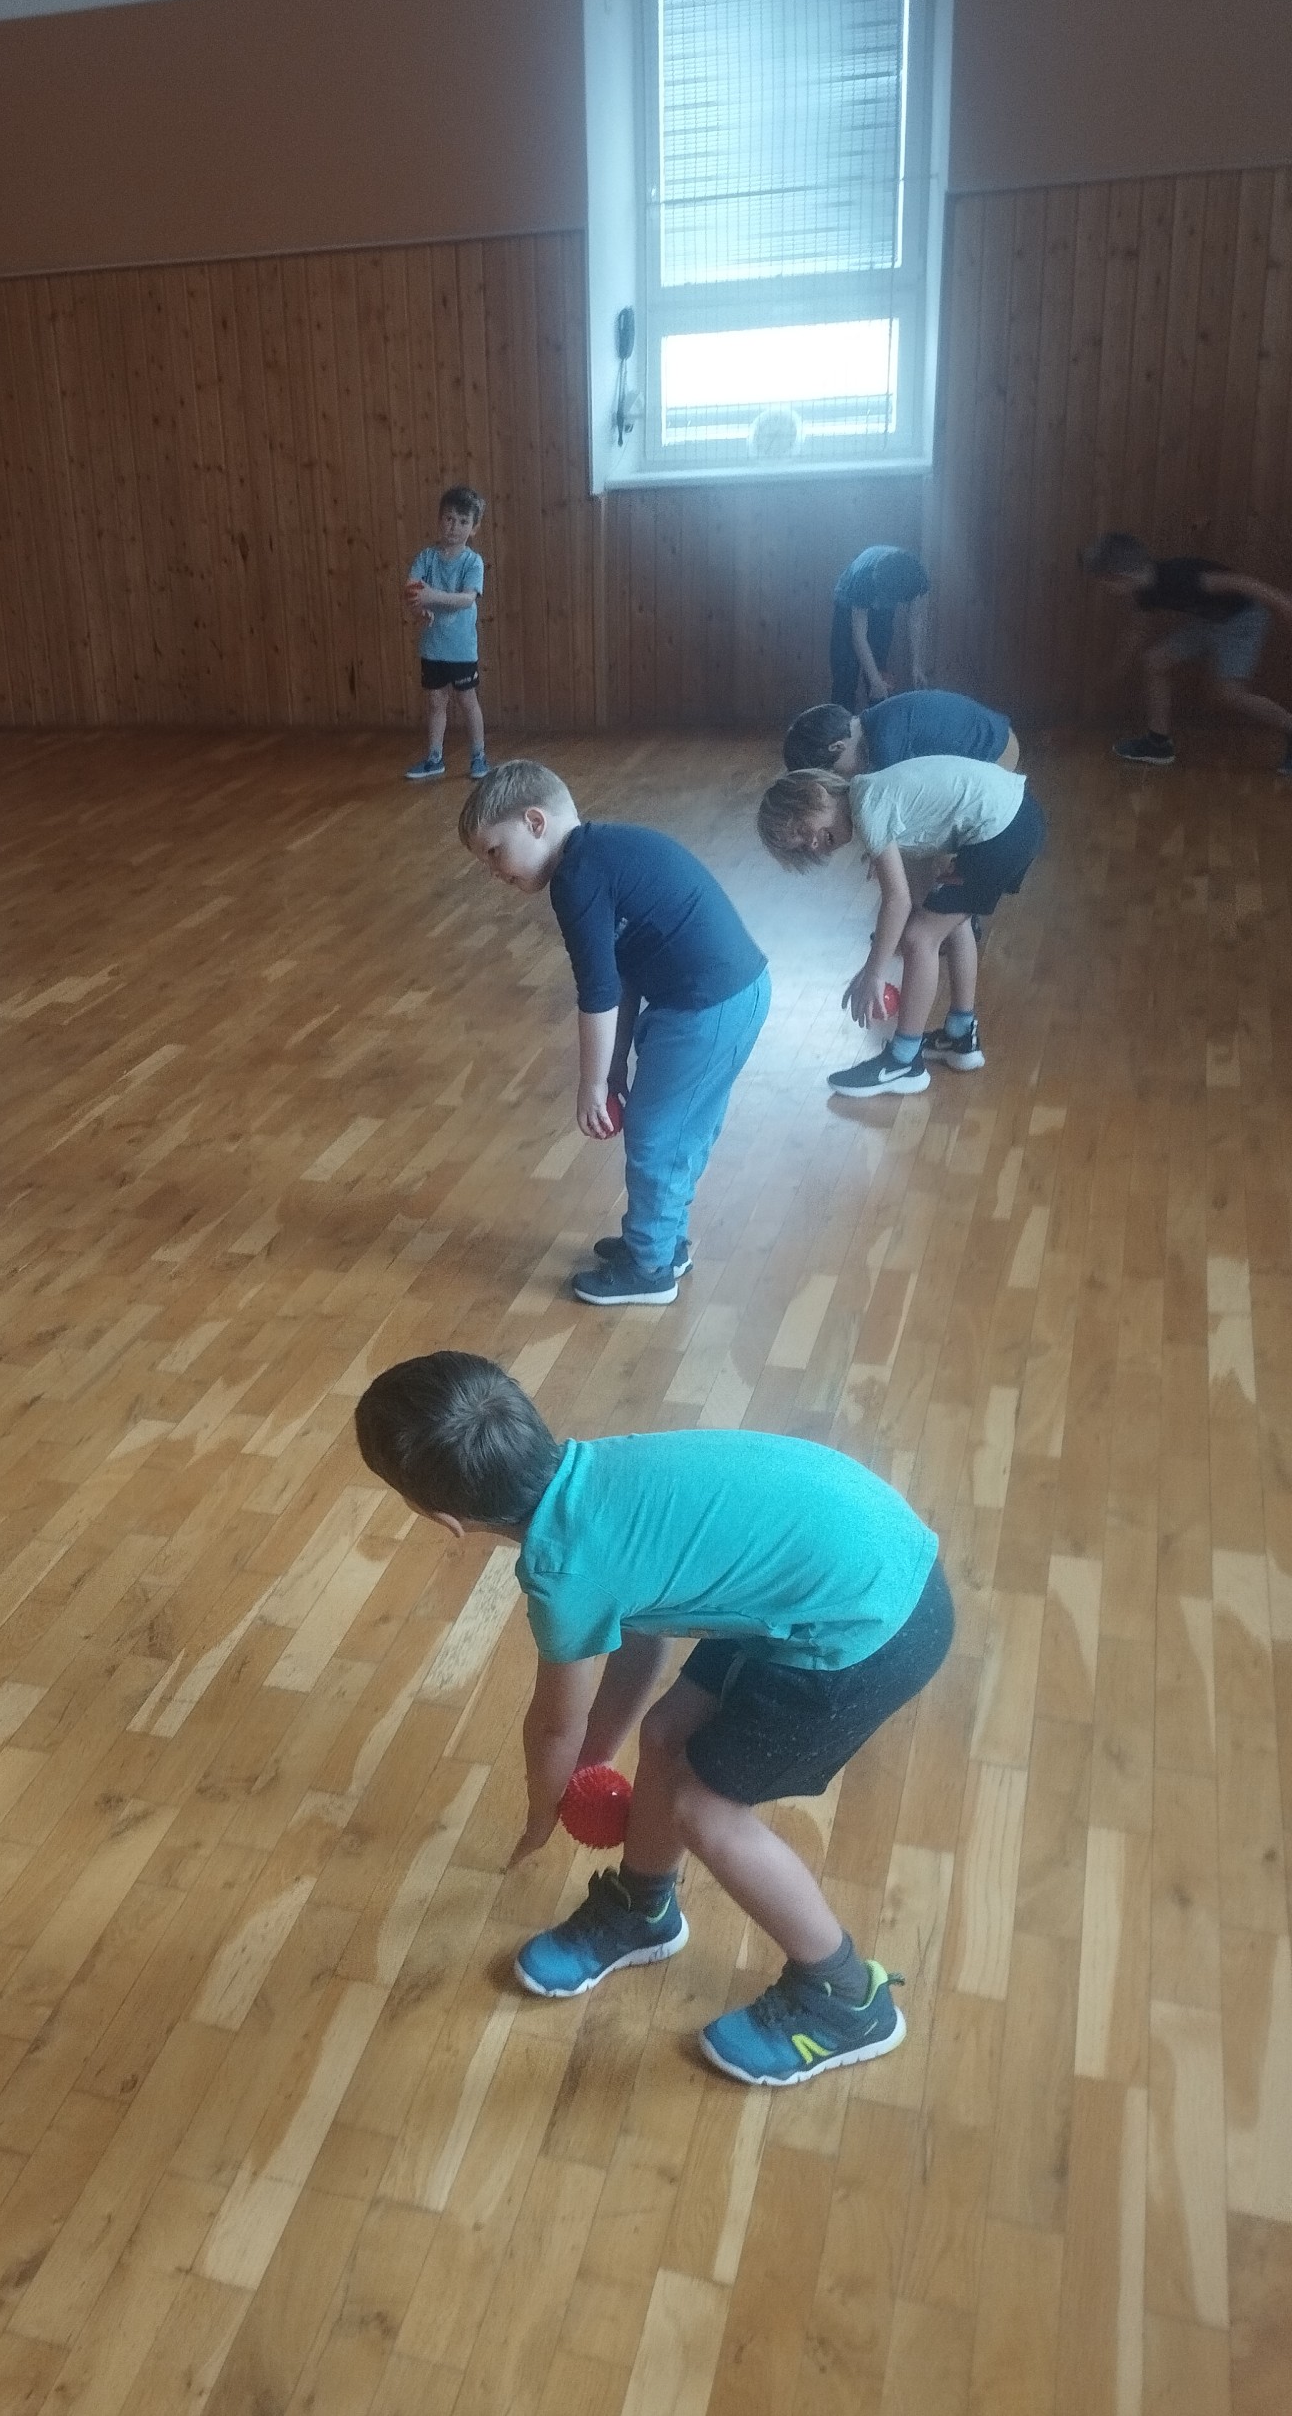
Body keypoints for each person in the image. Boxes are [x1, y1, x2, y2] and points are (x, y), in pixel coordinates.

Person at [353, 1351, 952, 2086]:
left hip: (870, 1629)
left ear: (444, 1519)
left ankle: (847, 2000)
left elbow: (555, 1725)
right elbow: (642, 1640)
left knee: (704, 1809)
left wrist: (542, 1814)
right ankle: (642, 1910)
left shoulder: (564, 1570)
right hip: (854, 1562)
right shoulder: (601, 1475)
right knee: (668, 1736)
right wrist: (597, 1763)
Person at [460, 760, 769, 1305]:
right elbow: (621, 974)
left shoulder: (576, 879)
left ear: (535, 822)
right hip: (725, 996)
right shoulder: (597, 856)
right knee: (676, 1130)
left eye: (494, 851)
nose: (493, 871)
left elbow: (598, 991)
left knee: (657, 1135)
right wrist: (614, 1063)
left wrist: (592, 1083)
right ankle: (662, 1243)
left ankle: (651, 1270)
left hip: (704, 1007)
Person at [756, 756, 1046, 1094]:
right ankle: (960, 1037)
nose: (812, 844)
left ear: (817, 794)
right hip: (1018, 818)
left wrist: (873, 973)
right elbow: (915, 881)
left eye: (802, 831)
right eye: (802, 847)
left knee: (918, 937)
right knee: (945, 918)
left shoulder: (867, 805)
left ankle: (904, 1061)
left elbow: (897, 902)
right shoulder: (872, 795)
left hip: (1002, 830)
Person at [1080, 531, 1292, 771]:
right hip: (1209, 622)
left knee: (1230, 694)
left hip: (1243, 620)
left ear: (1118, 577)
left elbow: (1241, 582)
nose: (1104, 589)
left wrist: (1283, 603)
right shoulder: (1141, 591)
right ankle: (1158, 744)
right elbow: (1136, 632)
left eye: (1104, 583)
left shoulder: (1182, 576)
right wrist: (1117, 669)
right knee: (1155, 661)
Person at [403, 486, 489, 782]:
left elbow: (467, 599)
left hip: (461, 649)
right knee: (436, 703)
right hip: (432, 648)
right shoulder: (426, 558)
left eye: (463, 521)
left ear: (474, 528)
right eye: (450, 519)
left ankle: (478, 755)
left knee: (467, 702)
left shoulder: (472, 562)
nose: (455, 527)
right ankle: (434, 758)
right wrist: (419, 607)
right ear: (440, 520)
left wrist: (432, 597)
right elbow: (412, 589)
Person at [782, 687, 1019, 778]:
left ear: (838, 746)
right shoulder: (875, 720)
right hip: (996, 733)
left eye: (834, 771)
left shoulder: (885, 748)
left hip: (996, 752)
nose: (843, 778)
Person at [830, 545, 931, 710]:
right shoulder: (863, 579)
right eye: (877, 600)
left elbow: (916, 620)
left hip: (884, 598)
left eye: (881, 601)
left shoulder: (917, 579)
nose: (875, 606)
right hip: (848, 602)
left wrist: (916, 665)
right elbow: (858, 636)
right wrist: (874, 680)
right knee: (845, 670)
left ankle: (878, 717)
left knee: (878, 666)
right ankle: (841, 721)